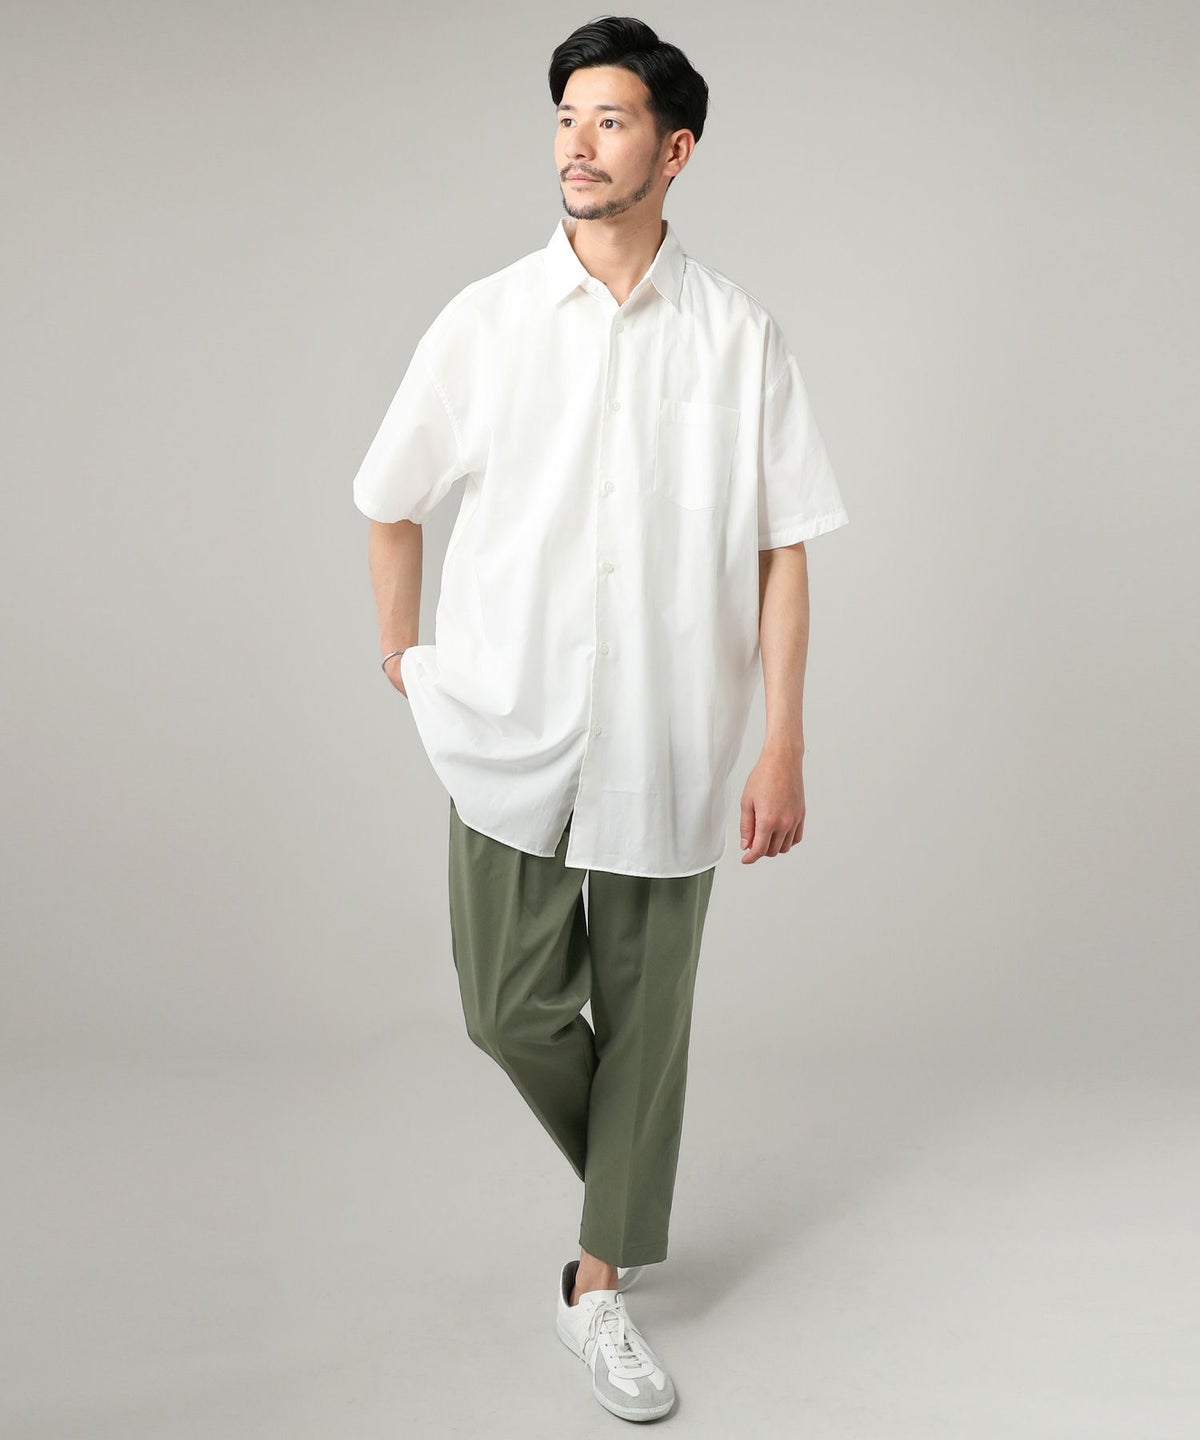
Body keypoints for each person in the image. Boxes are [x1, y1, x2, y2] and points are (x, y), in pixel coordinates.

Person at [351, 16, 849, 1424]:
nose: (578, 143)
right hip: (510, 724)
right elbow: (390, 498)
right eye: (567, 115)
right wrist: (403, 648)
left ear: (674, 151)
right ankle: (633, 1180)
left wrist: (785, 739)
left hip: (674, 731)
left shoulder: (739, 334)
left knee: (648, 1015)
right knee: (508, 1008)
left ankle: (596, 1279)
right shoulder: (488, 320)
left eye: (611, 119)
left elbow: (784, 549)